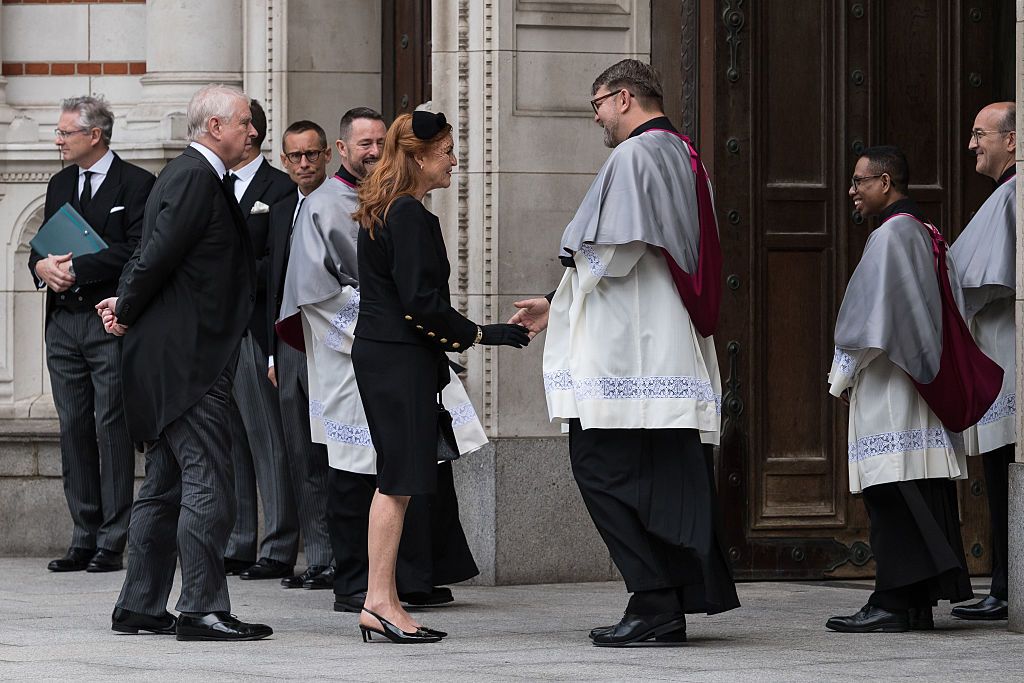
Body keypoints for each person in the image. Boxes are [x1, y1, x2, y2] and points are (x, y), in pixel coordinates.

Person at [509, 59, 738, 647]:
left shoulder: (636, 155)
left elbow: (613, 249)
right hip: (661, 342)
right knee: (660, 475)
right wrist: (555, 302)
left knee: (598, 466)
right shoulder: (685, 153)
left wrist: (565, 290)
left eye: (597, 106)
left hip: (627, 349)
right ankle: (666, 602)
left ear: (623, 98)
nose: (597, 119)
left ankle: (655, 599)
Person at [275, 107, 482, 611]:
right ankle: (356, 582)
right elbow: (317, 295)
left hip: (399, 349)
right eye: (363, 143)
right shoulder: (322, 206)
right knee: (358, 470)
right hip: (351, 355)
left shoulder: (395, 201)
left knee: (412, 462)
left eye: (379, 141)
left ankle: (411, 577)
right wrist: (384, 327)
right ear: (341, 149)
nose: (372, 150)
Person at [97, 84, 272, 641]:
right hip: (190, 362)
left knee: (165, 485)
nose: (253, 130)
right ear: (215, 127)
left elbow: (155, 255)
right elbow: (156, 255)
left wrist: (124, 305)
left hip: (175, 357)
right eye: (244, 121)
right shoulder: (196, 176)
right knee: (208, 481)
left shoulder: (186, 174)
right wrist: (126, 307)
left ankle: (140, 605)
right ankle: (201, 608)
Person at [351, 110, 530, 643]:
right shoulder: (406, 213)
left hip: (389, 355)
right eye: (448, 151)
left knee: (397, 478)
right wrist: (481, 334)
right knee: (398, 480)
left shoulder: (390, 208)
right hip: (397, 358)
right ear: (419, 157)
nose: (455, 160)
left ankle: (380, 600)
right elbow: (421, 303)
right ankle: (379, 602)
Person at [824, 146, 993, 633]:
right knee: (916, 488)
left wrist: (841, 375)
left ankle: (893, 602)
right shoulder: (926, 231)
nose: (852, 191)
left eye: (859, 181)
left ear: (886, 183)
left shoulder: (891, 235)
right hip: (920, 382)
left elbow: (869, 320)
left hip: (892, 386)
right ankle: (916, 603)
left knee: (892, 493)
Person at [30, 96, 154, 574]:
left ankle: (112, 539)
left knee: (112, 425)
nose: (58, 141)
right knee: (73, 426)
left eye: (65, 133)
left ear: (94, 135)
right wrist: (41, 267)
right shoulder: (60, 183)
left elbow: (137, 250)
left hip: (107, 322)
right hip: (62, 324)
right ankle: (83, 535)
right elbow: (43, 246)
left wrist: (76, 269)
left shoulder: (137, 183)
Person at [223, 100, 301, 582]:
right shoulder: (213, 183)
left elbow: (280, 262)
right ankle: (238, 541)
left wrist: (226, 272)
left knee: (269, 440)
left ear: (251, 133)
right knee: (231, 439)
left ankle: (278, 545)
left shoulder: (279, 188)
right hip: (217, 334)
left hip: (257, 328)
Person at [949, 103, 1017, 622]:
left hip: (1007, 362)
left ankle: (1006, 585)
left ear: (1011, 140)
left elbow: (981, 281)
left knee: (1003, 472)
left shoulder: (1013, 194)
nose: (972, 144)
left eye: (980, 134)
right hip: (1001, 355)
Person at [265, 119, 335, 589]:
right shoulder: (281, 209)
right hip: (290, 347)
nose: (304, 163)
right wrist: (273, 353)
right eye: (295, 156)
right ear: (284, 161)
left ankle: (345, 559)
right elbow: (273, 286)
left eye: (312, 154)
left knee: (335, 453)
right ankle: (319, 557)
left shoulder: (342, 203)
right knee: (301, 456)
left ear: (328, 155)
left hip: (332, 344)